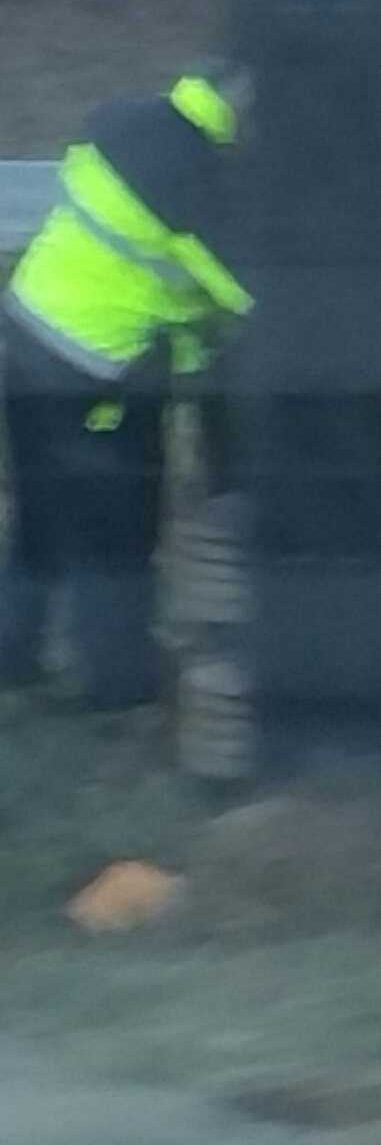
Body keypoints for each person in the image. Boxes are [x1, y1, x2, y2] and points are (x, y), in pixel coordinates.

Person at [0, 62, 253, 706]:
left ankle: (12, 651)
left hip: (24, 330)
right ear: (242, 98)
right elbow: (245, 296)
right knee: (116, 528)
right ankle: (120, 683)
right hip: (90, 374)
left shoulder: (120, 118)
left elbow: (179, 302)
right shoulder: (196, 183)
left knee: (43, 510)